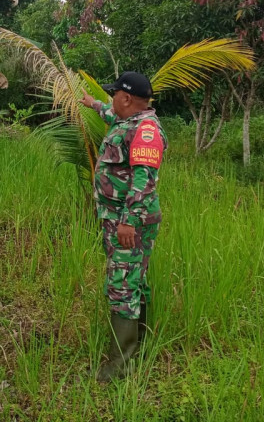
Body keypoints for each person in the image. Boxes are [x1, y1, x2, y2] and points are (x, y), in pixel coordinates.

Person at [79, 71, 167, 381]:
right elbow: (110, 113)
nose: (111, 98)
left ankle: (119, 368)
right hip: (116, 220)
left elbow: (143, 182)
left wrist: (128, 223)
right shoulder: (126, 119)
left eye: (114, 94)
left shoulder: (145, 131)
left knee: (122, 286)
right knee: (133, 281)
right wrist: (92, 104)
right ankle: (136, 349)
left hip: (130, 224)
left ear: (127, 98)